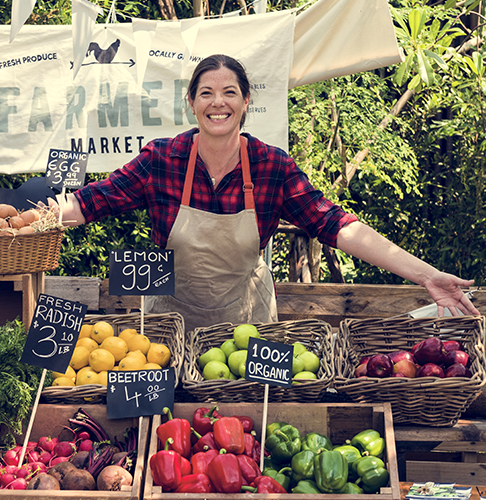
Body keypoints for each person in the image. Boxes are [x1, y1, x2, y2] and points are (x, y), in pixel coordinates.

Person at [53, 54, 479, 333]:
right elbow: (90, 203)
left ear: (245, 101)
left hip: (248, 328)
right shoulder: (162, 159)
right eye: (206, 93)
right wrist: (17, 223)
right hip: (169, 327)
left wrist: (425, 275)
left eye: (228, 92)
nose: (217, 103)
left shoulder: (270, 166)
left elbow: (338, 226)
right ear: (191, 103)